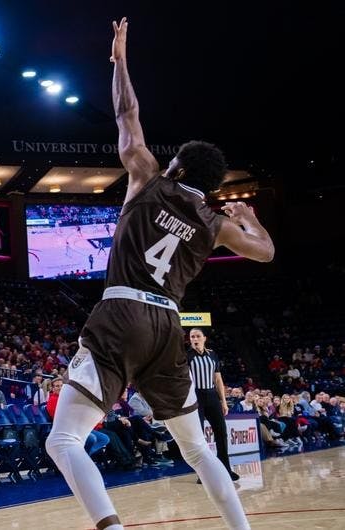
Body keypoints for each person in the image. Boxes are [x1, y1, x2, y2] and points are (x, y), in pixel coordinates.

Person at [46, 18, 274, 530]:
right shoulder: (216, 224)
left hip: (122, 311)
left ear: (178, 168)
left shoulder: (148, 177)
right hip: (168, 326)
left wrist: (120, 62)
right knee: (197, 449)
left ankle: (112, 527)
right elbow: (265, 254)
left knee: (62, 440)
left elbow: (128, 113)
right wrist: (251, 218)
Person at [188, 328, 239, 482]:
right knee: (199, 437)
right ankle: (202, 474)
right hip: (196, 398)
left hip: (212, 396)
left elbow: (218, 380)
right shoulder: (186, 356)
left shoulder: (212, 354)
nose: (195, 338)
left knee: (221, 433)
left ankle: (226, 469)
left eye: (197, 336)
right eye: (192, 337)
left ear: (204, 338)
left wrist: (223, 401)